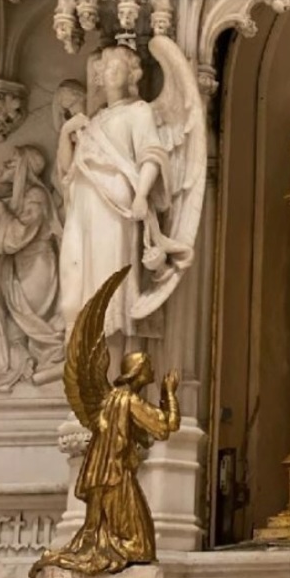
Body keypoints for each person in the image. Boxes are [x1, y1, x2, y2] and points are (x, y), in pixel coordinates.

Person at [56, 45, 171, 353]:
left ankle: (110, 367)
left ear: (131, 75)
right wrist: (66, 132)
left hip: (114, 207)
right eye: (106, 67)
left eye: (118, 67)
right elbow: (67, 170)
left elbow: (151, 154)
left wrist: (142, 195)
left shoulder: (138, 111)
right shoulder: (94, 120)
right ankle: (79, 359)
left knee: (107, 282)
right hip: (82, 203)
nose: (110, 72)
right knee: (74, 273)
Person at [30, 351, 180, 577]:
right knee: (139, 546)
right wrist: (168, 393)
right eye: (148, 366)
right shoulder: (128, 401)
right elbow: (165, 427)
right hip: (115, 478)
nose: (152, 370)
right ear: (138, 372)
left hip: (105, 475)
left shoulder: (112, 399)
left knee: (134, 542)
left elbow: (145, 436)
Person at [0, 146, 64, 389]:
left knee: (27, 323)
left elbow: (15, 237)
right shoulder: (20, 199)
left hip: (35, 268)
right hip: (20, 269)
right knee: (12, 329)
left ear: (23, 169)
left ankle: (47, 357)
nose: (5, 165)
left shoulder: (35, 196)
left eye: (11, 163)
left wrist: (0, 212)